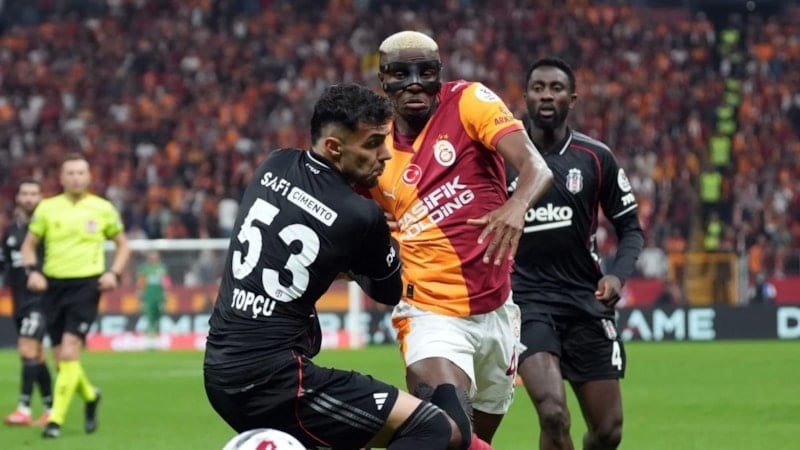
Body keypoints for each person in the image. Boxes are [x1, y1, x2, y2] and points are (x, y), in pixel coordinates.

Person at [203, 84, 493, 450]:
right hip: (276, 381)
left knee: (435, 426)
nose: (385, 154)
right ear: (334, 147)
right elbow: (389, 289)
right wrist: (368, 248)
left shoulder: (274, 164)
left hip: (221, 368)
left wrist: (343, 259)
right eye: (372, 143)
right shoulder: (358, 214)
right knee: (434, 428)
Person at [366, 30, 554, 444]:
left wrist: (517, 205)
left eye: (426, 72)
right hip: (429, 312)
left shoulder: (469, 101)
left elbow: (536, 167)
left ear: (440, 74)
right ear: (384, 81)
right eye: (401, 74)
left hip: (497, 311)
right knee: (450, 430)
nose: (414, 84)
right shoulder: (375, 146)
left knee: (474, 441)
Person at [506, 57, 644, 450]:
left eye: (556, 88)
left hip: (585, 300)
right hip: (526, 302)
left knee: (608, 432)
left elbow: (631, 228)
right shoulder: (501, 158)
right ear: (526, 96)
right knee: (553, 413)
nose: (546, 96)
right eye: (538, 88)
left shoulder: (595, 157)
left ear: (572, 98)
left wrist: (616, 274)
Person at [21, 153, 131, 438]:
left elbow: (123, 245)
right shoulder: (47, 208)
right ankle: (91, 396)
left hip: (86, 285)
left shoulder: (102, 208)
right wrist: (32, 271)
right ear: (61, 177)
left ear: (89, 176)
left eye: (81, 173)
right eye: (70, 173)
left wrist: (114, 273)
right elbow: (28, 245)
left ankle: (54, 421)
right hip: (53, 286)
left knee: (70, 351)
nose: (76, 178)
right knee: (62, 360)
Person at [1, 178, 53, 426]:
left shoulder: (49, 230)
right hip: (19, 302)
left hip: (41, 301)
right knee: (37, 355)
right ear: (18, 198)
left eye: (34, 193)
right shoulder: (11, 231)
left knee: (26, 349)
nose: (29, 198)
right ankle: (51, 408)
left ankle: (24, 408)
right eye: (25, 193)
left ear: (41, 198)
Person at [136, 250, 171, 338]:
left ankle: (157, 332)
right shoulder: (145, 268)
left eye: (155, 257)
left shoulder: (162, 267)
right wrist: (140, 291)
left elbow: (166, 281)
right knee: (148, 314)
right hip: (148, 295)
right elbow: (141, 281)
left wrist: (166, 292)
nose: (153, 259)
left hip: (159, 295)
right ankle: (150, 333)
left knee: (159, 313)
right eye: (152, 257)